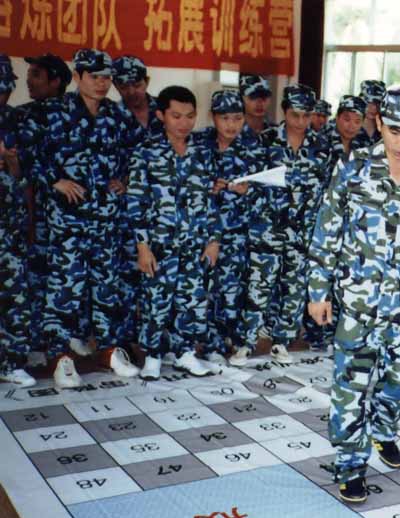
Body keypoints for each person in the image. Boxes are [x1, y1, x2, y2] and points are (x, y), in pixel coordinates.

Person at [307, 88, 400, 503]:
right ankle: (351, 464)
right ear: (379, 123)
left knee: (399, 384)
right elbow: (327, 230)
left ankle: (385, 430)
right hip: (358, 303)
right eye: (394, 131)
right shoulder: (353, 169)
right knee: (351, 385)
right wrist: (319, 290)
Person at [36, 48, 139, 387]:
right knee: (65, 287)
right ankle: (60, 357)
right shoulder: (53, 112)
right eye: (94, 77)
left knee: (106, 287)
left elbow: (138, 152)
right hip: (68, 221)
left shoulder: (117, 115)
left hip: (106, 219)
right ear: (77, 77)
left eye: (106, 78)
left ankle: (109, 351)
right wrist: (55, 180)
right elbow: (28, 153)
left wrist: (124, 179)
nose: (101, 83)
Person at [230, 84, 330, 366]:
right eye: (295, 115)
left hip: (301, 232)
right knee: (258, 288)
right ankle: (246, 343)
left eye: (306, 116)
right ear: (285, 112)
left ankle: (281, 341)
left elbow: (322, 192)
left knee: (294, 289)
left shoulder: (321, 146)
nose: (300, 122)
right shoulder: (265, 140)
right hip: (267, 228)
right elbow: (250, 181)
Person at [126, 86, 219, 380]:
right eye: (176, 116)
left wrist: (213, 240)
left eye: (190, 116)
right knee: (156, 301)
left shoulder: (203, 153)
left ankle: (184, 353)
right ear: (161, 115)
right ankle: (152, 356)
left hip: (194, 243)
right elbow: (135, 201)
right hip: (160, 244)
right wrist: (142, 246)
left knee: (192, 300)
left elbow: (212, 199)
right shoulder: (147, 152)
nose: (184, 123)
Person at [192, 91, 265, 362]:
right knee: (202, 288)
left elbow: (267, 196)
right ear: (213, 117)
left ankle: (221, 342)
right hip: (202, 232)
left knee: (230, 291)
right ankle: (197, 343)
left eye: (237, 118)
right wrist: (207, 187)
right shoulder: (198, 143)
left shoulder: (253, 148)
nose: (231, 125)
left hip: (236, 234)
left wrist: (248, 192)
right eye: (225, 118)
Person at [303, 94, 370, 351]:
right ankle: (316, 333)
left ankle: (339, 331)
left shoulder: (367, 149)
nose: (351, 125)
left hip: (353, 224)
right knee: (321, 275)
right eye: (346, 119)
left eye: (357, 121)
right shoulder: (318, 141)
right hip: (323, 219)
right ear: (337, 117)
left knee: (347, 278)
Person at [17, 53, 72, 367]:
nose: (29, 79)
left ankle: (58, 343)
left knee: (60, 278)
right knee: (33, 277)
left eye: (37, 74)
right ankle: (35, 342)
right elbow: (20, 162)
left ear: (56, 82)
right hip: (31, 213)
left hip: (65, 216)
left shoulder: (73, 115)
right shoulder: (23, 115)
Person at [113, 55, 165, 351]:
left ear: (146, 81)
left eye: (136, 83)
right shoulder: (113, 115)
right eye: (123, 85)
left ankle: (157, 335)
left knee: (161, 274)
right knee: (127, 274)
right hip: (128, 210)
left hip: (163, 210)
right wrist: (116, 178)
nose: (131, 91)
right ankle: (127, 339)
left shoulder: (165, 111)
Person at [0, 54, 36, 387]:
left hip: (9, 226)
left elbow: (26, 175)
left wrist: (11, 164)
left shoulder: (14, 119)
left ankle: (11, 361)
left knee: (15, 296)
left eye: (5, 89)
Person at [240, 74, 275, 141]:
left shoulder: (276, 133)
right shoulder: (232, 131)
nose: (260, 103)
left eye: (264, 97)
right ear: (242, 98)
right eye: (253, 96)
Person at [356, 79, 385, 146]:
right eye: (369, 102)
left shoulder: (387, 129)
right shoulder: (347, 126)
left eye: (378, 103)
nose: (374, 107)